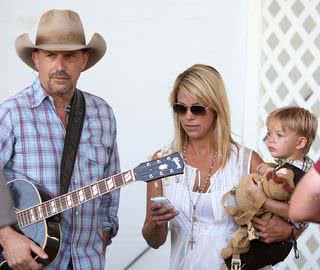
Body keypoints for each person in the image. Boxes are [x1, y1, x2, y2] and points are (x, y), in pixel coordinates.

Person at [0, 9, 120, 270]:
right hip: (25, 263)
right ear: (36, 59)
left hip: (87, 261)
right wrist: (6, 236)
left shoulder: (103, 114)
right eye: (51, 55)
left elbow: (111, 185)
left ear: (84, 60)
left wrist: (105, 233)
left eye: (70, 56)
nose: (60, 66)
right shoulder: (11, 113)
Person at [142, 64, 293, 269]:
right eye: (180, 108)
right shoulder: (160, 161)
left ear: (216, 108)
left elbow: (294, 212)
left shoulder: (246, 161)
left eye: (197, 109)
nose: (188, 116)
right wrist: (156, 224)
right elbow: (154, 241)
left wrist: (287, 231)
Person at [230, 106, 317, 269]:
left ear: (300, 142)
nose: (270, 139)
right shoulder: (293, 167)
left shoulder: (298, 174)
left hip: (274, 242)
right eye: (269, 134)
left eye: (279, 135)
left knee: (232, 266)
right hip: (273, 240)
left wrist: (261, 201)